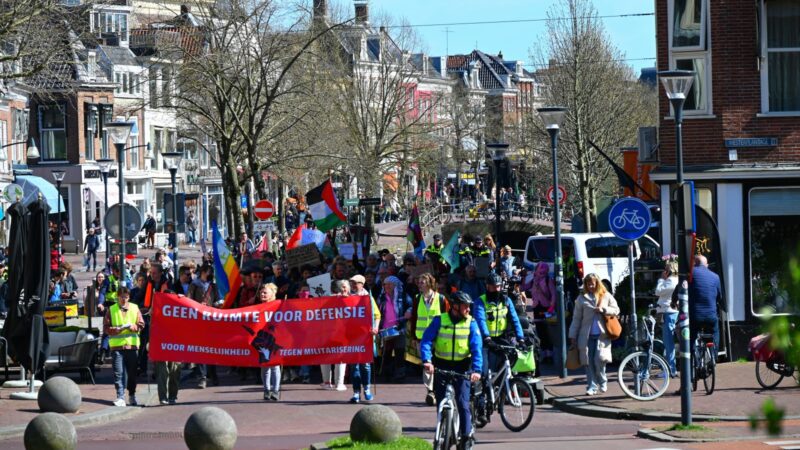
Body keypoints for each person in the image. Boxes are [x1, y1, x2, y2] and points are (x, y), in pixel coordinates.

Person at [420, 291, 482, 449]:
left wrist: (476, 370)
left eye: (469, 306)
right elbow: (426, 340)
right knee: (440, 401)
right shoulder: (440, 320)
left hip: (463, 367)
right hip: (441, 366)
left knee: (462, 403)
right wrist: (427, 361)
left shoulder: (471, 323)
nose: (468, 309)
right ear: (455, 306)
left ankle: (466, 436)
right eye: (465, 306)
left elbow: (477, 348)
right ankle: (442, 429)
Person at [568, 273, 620, 396]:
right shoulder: (581, 299)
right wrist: (572, 335)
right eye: (588, 284)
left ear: (597, 283)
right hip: (585, 336)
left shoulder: (606, 296)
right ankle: (592, 386)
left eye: (593, 283)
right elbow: (576, 318)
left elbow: (616, 309)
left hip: (602, 335)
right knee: (588, 361)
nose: (591, 286)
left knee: (599, 360)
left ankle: (602, 381)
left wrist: (604, 310)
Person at [408, 272, 449, 405]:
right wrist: (413, 337)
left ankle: (439, 389)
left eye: (422, 282)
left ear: (429, 283)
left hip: (439, 338)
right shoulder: (417, 299)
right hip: (421, 338)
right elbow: (414, 319)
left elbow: (447, 318)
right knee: (427, 365)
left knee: (439, 364)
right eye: (418, 282)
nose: (419, 284)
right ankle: (430, 391)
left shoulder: (441, 299)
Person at [104, 286, 145, 407]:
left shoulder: (135, 308)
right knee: (119, 373)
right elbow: (105, 328)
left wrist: (133, 327)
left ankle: (132, 395)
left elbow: (141, 324)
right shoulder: (111, 310)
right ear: (117, 297)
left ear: (129, 297)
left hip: (131, 347)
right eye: (121, 297)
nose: (123, 299)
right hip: (117, 347)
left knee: (132, 374)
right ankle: (120, 397)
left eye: (126, 297)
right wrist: (115, 330)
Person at [348, 275, 380, 403]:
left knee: (365, 365)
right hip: (350, 336)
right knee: (354, 366)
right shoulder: (348, 297)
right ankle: (356, 392)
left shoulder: (368, 298)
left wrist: (375, 328)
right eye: (352, 283)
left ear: (361, 284)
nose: (353, 286)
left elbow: (377, 315)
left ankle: (366, 389)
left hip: (365, 336)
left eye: (355, 283)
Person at [688, 254, 725, 352]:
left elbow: (679, 289)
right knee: (715, 331)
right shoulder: (715, 277)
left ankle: (691, 360)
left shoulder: (690, 274)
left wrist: (674, 301)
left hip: (695, 316)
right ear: (706, 265)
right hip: (710, 316)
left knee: (691, 335)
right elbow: (719, 296)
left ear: (694, 263)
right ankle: (714, 355)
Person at [377, 275, 411, 381]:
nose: (386, 286)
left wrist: (409, 311)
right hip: (386, 328)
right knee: (386, 352)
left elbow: (411, 305)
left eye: (389, 284)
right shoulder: (381, 296)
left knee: (399, 351)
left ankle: (400, 374)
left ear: (395, 285)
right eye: (385, 284)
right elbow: (377, 310)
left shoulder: (404, 295)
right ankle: (387, 373)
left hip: (399, 327)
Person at [320, 279, 350, 391]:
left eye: (346, 286)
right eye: (342, 286)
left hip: (342, 332)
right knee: (325, 356)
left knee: (340, 357)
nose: (344, 289)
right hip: (327, 331)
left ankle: (339, 383)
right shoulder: (327, 298)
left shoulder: (352, 298)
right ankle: (327, 382)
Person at [256, 283, 282, 401]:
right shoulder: (257, 307)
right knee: (265, 366)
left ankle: (275, 391)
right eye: (261, 292)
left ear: (272, 294)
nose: (262, 294)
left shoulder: (278, 305)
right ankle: (266, 391)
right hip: (262, 340)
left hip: (275, 339)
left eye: (265, 292)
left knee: (275, 366)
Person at [655, 258, 679, 377]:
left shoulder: (670, 281)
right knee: (670, 342)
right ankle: (671, 368)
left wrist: (661, 279)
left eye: (666, 269)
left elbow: (658, 291)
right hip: (672, 312)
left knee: (668, 342)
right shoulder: (676, 280)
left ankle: (670, 369)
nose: (664, 271)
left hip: (668, 312)